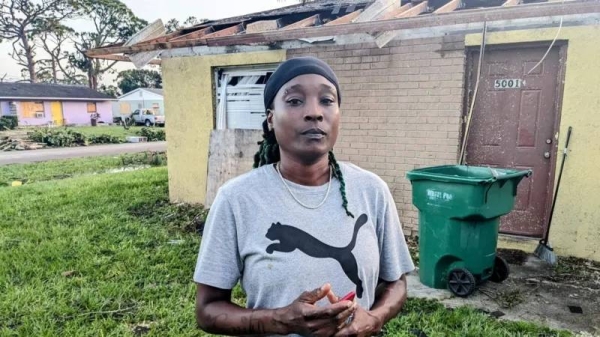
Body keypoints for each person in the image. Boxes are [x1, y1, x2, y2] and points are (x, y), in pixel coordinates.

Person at [193, 56, 415, 337]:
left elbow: (396, 283)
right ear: (271, 119)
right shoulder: (237, 199)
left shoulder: (372, 190)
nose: (314, 112)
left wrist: (374, 318)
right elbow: (207, 309)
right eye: (295, 101)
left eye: (326, 100)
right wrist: (277, 320)